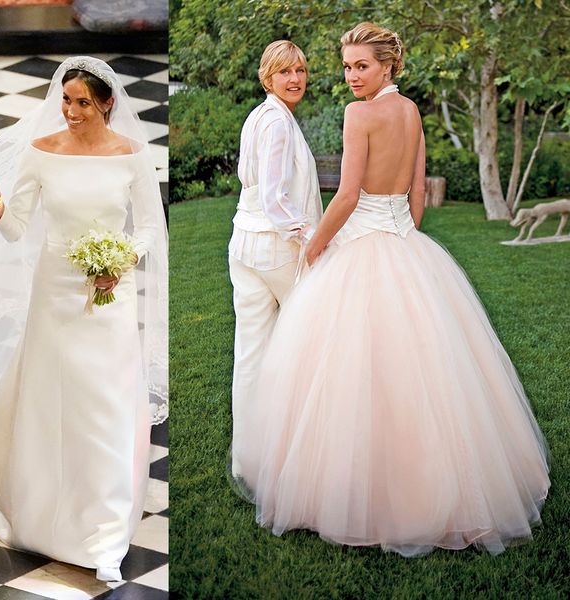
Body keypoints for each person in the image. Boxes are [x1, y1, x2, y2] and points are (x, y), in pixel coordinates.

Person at [233, 22, 550, 556]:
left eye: (362, 66)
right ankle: (443, 485)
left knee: (347, 370)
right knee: (427, 369)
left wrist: (316, 246)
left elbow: (349, 193)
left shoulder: (362, 115)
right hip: (408, 245)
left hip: (361, 242)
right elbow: (418, 194)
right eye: (348, 65)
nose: (352, 77)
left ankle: (359, 491)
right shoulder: (410, 112)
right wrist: (404, 229)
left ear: (387, 66)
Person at [0, 56, 169, 582]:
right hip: (56, 290)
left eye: (82, 102)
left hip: (112, 287)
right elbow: (17, 228)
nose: (69, 111)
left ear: (107, 103)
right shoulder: (42, 153)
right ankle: (46, 504)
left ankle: (103, 523)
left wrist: (123, 260)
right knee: (54, 395)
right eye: (66, 100)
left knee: (105, 398)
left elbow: (151, 229)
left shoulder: (133, 155)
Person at [228, 41, 323, 481]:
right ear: (268, 76)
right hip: (274, 248)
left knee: (251, 351)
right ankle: (306, 449)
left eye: (300, 71)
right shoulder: (278, 123)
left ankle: (251, 459)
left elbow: (249, 183)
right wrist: (310, 235)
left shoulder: (260, 116)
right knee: (313, 338)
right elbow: (273, 196)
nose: (295, 79)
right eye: (285, 72)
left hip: (243, 244)